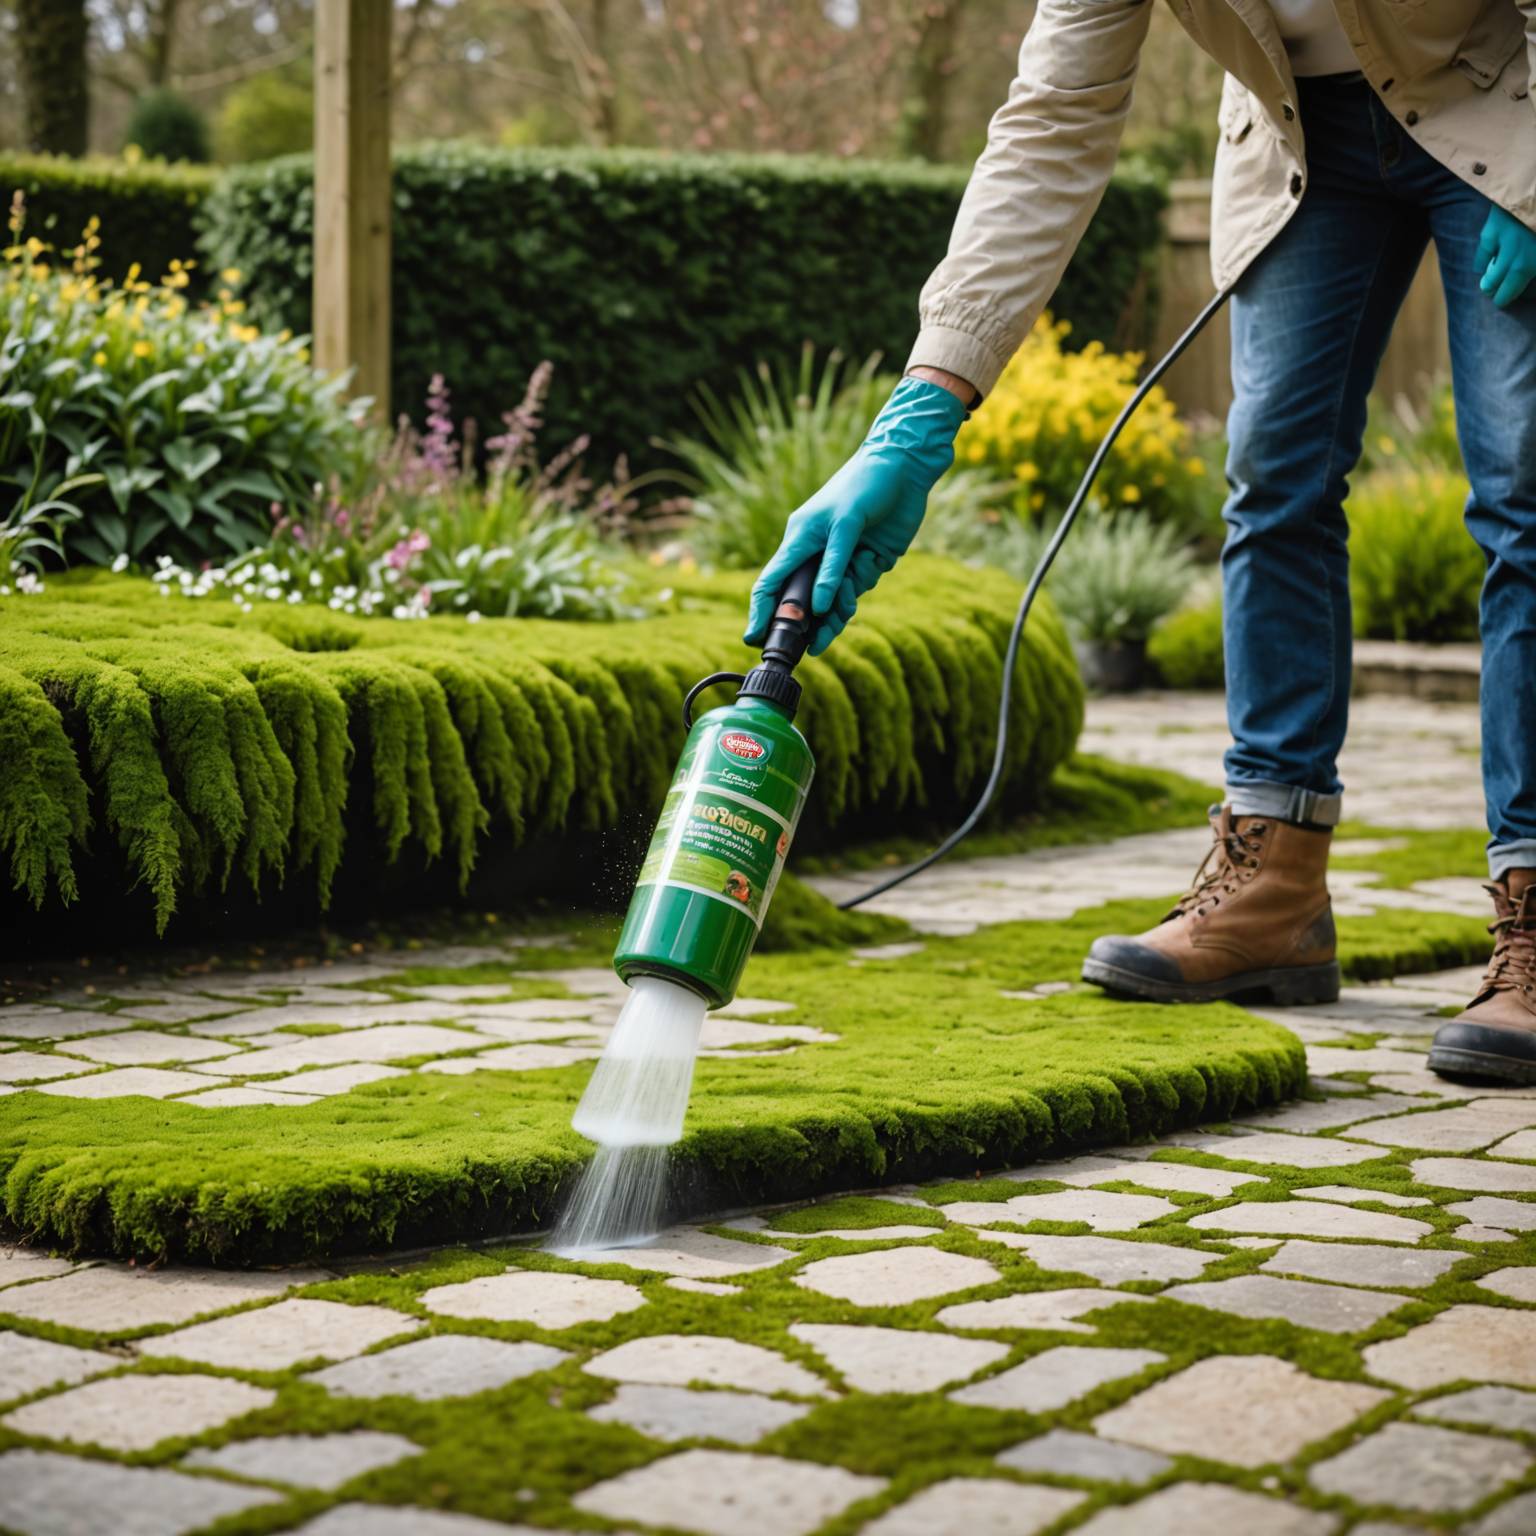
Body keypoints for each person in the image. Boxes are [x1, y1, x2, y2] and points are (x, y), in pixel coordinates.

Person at [745, 1, 1536, 1083]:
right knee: (1273, 482)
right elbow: (1052, 122)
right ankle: (1275, 882)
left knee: (1523, 492)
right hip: (1299, 131)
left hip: (1505, 95)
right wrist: (915, 422)